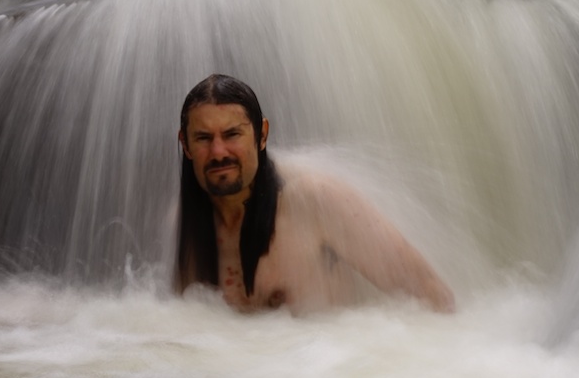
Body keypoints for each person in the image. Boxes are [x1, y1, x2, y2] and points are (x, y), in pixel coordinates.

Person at [175, 73, 455, 314]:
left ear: (262, 135)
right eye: (203, 138)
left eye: (232, 134)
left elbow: (431, 295)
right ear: (185, 145)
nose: (218, 152)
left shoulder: (315, 202)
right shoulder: (185, 225)